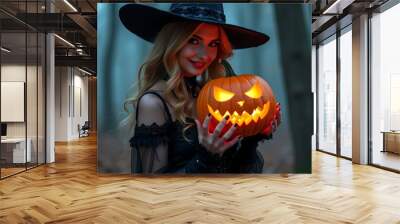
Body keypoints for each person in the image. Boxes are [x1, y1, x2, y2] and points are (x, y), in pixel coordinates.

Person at [119, 3, 280, 173]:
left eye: (213, 44)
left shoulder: (208, 95)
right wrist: (206, 157)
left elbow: (237, 172)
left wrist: (252, 139)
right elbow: (154, 187)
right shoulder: (153, 103)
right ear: (173, 42)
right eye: (194, 40)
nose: (205, 54)